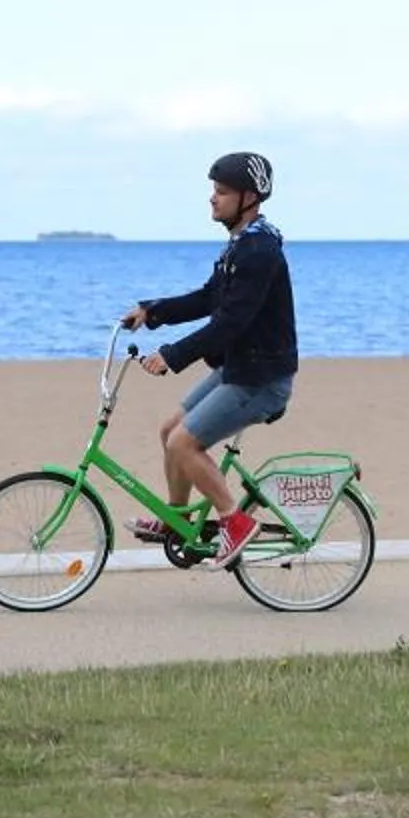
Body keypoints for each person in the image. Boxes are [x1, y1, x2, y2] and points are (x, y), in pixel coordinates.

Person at [120, 150, 297, 569]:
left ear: (249, 198)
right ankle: (178, 519)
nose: (212, 198)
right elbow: (209, 298)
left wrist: (172, 355)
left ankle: (234, 520)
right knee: (170, 430)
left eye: (222, 191)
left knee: (184, 443)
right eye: (214, 190)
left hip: (261, 378)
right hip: (239, 367)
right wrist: (152, 311)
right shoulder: (241, 245)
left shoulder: (259, 251)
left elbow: (231, 322)